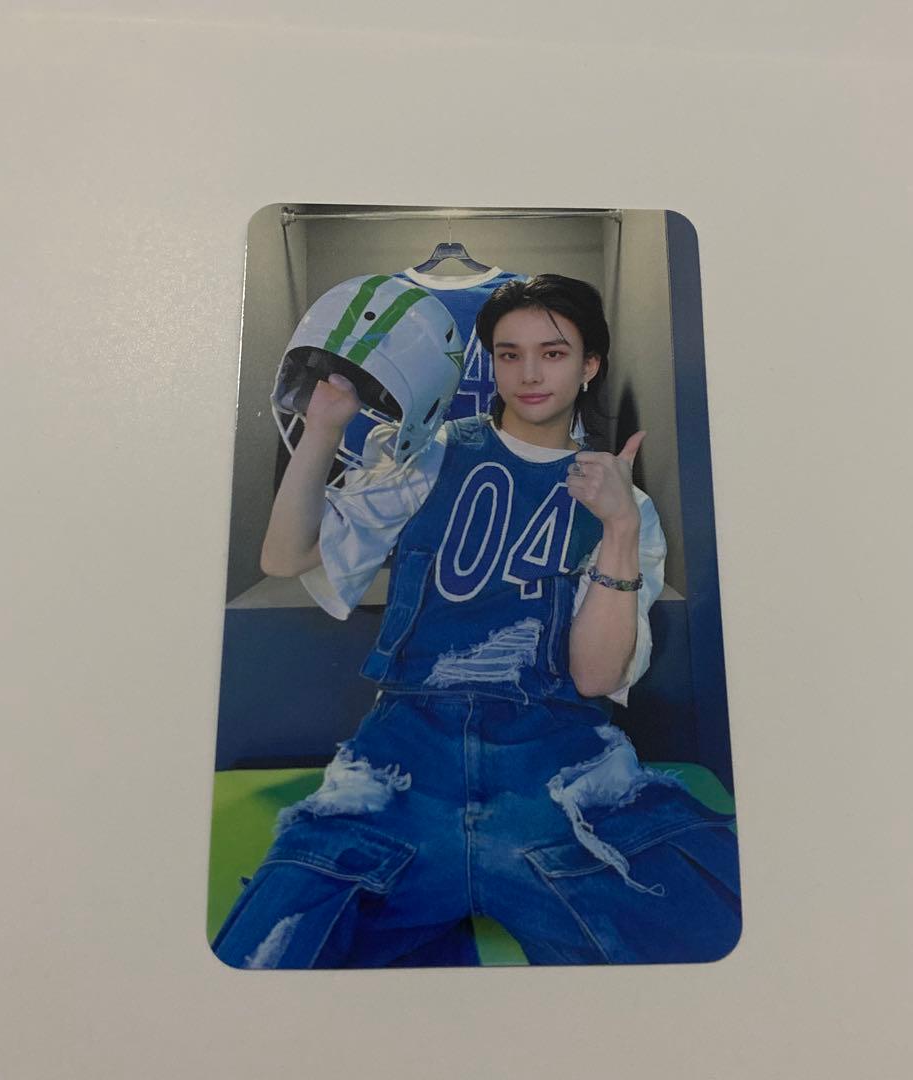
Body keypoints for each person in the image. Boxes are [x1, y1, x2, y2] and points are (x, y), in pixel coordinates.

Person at [212, 274, 741, 968]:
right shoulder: (426, 455)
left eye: (553, 353)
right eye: (509, 354)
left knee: (697, 957)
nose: (529, 374)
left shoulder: (624, 503)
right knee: (273, 963)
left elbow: (593, 676)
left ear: (590, 365)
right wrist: (324, 426)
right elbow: (284, 556)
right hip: (403, 761)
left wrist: (616, 527)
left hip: (552, 766)